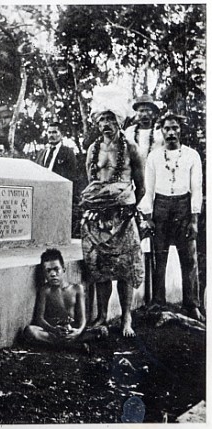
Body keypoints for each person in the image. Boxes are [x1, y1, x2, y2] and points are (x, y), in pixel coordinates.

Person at [80, 106, 145, 337]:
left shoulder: (131, 148)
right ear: (97, 124)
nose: (106, 124)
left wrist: (125, 208)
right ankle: (102, 317)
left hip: (123, 216)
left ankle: (126, 317)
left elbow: (141, 187)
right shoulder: (92, 149)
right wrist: (101, 206)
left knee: (125, 268)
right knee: (101, 267)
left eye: (110, 119)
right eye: (102, 119)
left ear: (119, 121)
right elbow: (93, 183)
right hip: (100, 216)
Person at [138, 112, 204, 322]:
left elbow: (196, 189)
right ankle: (158, 301)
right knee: (160, 256)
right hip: (161, 208)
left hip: (184, 207)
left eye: (175, 128)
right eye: (166, 129)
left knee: (189, 257)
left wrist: (194, 219)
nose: (171, 133)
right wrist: (148, 216)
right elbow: (148, 190)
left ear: (181, 130)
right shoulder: (154, 157)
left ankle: (191, 304)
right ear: (161, 132)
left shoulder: (192, 155)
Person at [124, 95, 165, 302]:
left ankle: (157, 296)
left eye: (148, 110)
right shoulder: (129, 133)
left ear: (154, 112)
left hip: (157, 188)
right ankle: (137, 296)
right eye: (140, 110)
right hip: (135, 188)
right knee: (136, 239)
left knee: (157, 242)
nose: (144, 114)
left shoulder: (161, 133)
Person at [24, 248, 107, 345]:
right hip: (54, 332)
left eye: (56, 269)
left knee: (102, 330)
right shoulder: (45, 291)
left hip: (73, 331)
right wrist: (54, 329)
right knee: (29, 331)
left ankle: (65, 344)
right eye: (48, 271)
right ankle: (71, 346)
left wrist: (78, 331)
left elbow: (82, 318)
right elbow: (39, 319)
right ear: (44, 274)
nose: (53, 274)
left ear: (63, 269)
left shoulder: (77, 289)